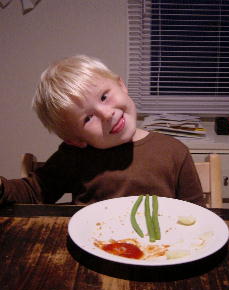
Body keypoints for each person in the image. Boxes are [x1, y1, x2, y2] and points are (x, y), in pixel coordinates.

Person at [0, 55, 204, 206]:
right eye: (88, 118)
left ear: (121, 85)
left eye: (104, 97)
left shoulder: (174, 152)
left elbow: (196, 214)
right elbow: (33, 191)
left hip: (159, 253)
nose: (107, 115)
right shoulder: (74, 156)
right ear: (75, 140)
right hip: (92, 254)